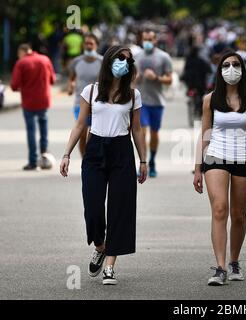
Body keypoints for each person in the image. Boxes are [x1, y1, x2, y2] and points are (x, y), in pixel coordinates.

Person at [59, 45, 147, 285]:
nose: (124, 62)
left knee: (120, 208)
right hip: (95, 150)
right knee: (93, 208)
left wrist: (143, 160)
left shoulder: (133, 95)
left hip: (121, 151)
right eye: (120, 57)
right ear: (109, 60)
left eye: (128, 60)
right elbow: (80, 124)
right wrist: (66, 153)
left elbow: (137, 129)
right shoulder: (90, 90)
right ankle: (100, 246)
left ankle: (110, 266)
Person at [193, 51, 246, 286]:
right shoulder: (210, 99)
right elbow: (205, 134)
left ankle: (234, 262)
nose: (231, 68)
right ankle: (220, 267)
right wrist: (197, 167)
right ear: (220, 70)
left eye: (235, 64)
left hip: (244, 160)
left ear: (242, 69)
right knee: (220, 209)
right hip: (216, 156)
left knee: (239, 216)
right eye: (226, 65)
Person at [11, 43, 56, 171]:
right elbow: (52, 79)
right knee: (44, 128)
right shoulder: (45, 59)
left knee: (31, 131)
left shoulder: (21, 63)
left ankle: (32, 162)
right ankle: (45, 155)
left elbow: (14, 85)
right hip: (44, 101)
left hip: (29, 102)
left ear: (22, 51)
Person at [136, 30, 173, 177]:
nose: (147, 42)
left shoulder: (164, 57)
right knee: (142, 132)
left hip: (157, 101)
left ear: (156, 40)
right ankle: (142, 162)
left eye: (150, 39)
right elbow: (128, 77)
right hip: (140, 101)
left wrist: (156, 78)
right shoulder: (136, 56)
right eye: (145, 39)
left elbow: (169, 80)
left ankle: (152, 160)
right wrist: (136, 78)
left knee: (154, 133)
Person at [67, 33, 103, 157]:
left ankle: (95, 159)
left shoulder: (103, 62)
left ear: (96, 46)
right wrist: (71, 85)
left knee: (95, 135)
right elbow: (71, 78)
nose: (88, 46)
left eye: (91, 44)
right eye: (86, 43)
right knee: (82, 133)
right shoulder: (76, 62)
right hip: (80, 103)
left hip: (98, 104)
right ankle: (85, 160)